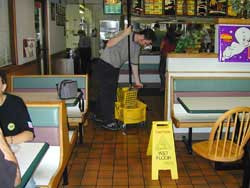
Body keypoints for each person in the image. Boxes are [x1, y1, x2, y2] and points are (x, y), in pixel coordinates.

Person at [90, 26, 156, 130]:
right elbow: (109, 44)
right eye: (147, 43)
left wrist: (138, 82)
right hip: (105, 65)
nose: (146, 45)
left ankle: (98, 115)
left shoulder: (137, 47)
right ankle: (109, 122)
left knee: (105, 93)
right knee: (108, 94)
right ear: (142, 37)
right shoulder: (125, 34)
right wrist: (125, 34)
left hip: (114, 68)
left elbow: (134, 64)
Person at [0, 70, 34, 144]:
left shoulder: (15, 103)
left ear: (3, 87)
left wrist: (6, 141)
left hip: (14, 147)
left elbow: (29, 134)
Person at [159, 24, 177, 91]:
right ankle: (169, 86)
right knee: (169, 72)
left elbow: (161, 47)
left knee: (161, 72)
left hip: (164, 55)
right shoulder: (175, 40)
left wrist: (161, 52)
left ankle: (163, 86)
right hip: (171, 57)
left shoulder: (165, 39)